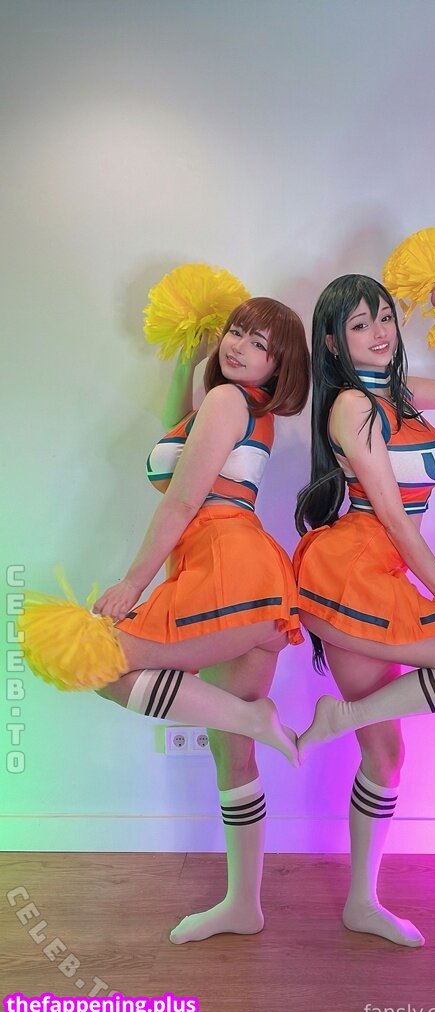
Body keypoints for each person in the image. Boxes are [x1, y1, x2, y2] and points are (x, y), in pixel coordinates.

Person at [82, 297, 309, 939]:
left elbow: (182, 500)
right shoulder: (239, 406)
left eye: (260, 344)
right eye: (236, 331)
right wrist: (191, 355)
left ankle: (251, 717)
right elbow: (182, 431)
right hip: (247, 576)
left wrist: (132, 582)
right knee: (234, 757)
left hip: (224, 569)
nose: (239, 346)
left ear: (279, 366)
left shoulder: (229, 401)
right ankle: (244, 905)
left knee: (99, 660)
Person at [294, 274, 435, 947]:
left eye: (384, 317)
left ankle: (362, 902)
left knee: (385, 754)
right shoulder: (352, 406)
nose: (379, 332)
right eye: (359, 323)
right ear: (334, 341)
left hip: (384, 572)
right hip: (353, 573)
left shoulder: (401, 394)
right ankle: (344, 721)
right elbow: (392, 517)